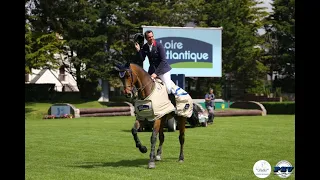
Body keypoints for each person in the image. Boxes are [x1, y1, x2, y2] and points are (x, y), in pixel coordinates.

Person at [134, 30, 173, 95]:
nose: (151, 38)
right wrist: (138, 51)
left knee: (168, 89)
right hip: (152, 70)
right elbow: (142, 59)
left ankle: (172, 104)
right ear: (146, 39)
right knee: (146, 86)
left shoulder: (159, 45)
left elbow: (163, 61)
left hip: (163, 70)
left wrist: (155, 73)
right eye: (149, 37)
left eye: (152, 36)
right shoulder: (145, 47)